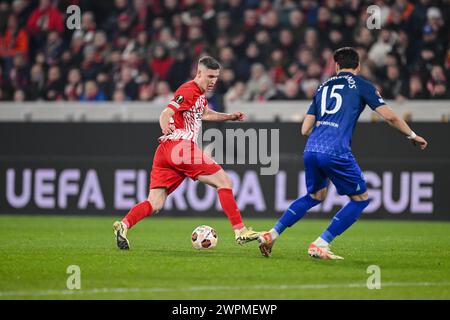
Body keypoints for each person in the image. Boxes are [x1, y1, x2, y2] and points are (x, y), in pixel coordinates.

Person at [258, 47, 428, 260]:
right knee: (360, 200)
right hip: (336, 150)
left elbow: (304, 129)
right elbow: (390, 117)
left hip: (312, 148)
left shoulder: (323, 86)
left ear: (336, 66)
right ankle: (321, 243)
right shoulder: (362, 85)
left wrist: (324, 130)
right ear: (358, 66)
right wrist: (412, 135)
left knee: (314, 196)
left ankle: (271, 234)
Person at [113, 56, 260, 250]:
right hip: (179, 146)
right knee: (224, 181)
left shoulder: (199, 95)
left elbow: (205, 114)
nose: (213, 81)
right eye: (209, 76)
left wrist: (230, 117)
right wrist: (165, 127)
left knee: (155, 203)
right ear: (199, 73)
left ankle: (123, 226)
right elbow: (166, 113)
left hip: (164, 152)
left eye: (216, 77)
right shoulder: (188, 89)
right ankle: (240, 231)